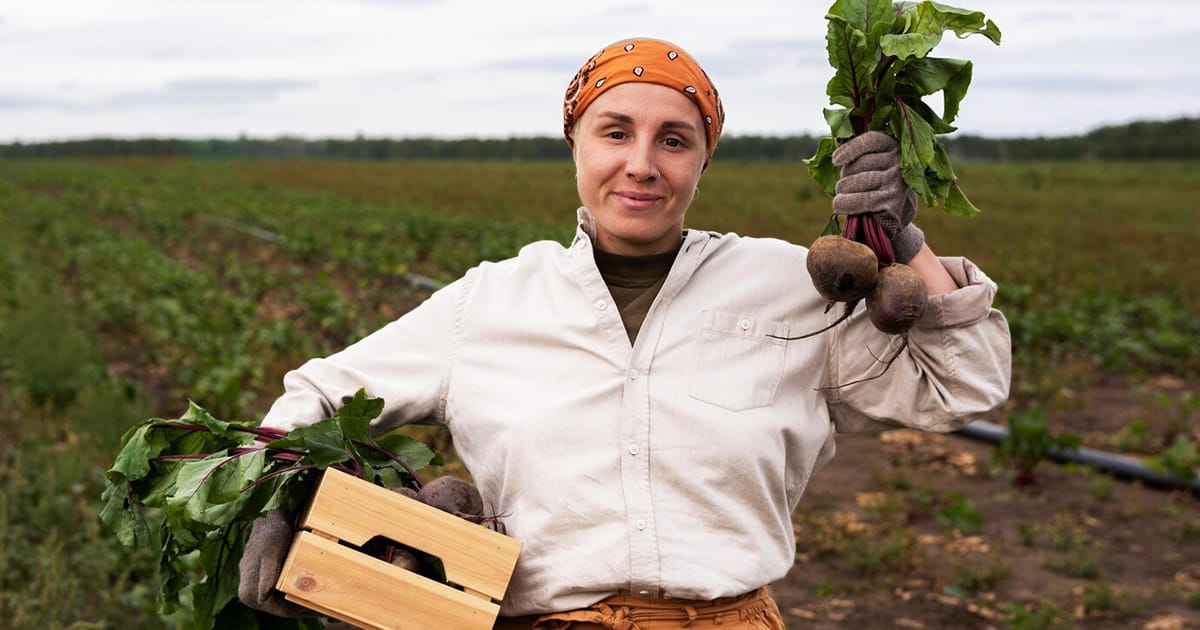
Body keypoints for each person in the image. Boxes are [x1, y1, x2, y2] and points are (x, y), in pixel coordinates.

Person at [238, 37, 1011, 629]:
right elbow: (318, 394)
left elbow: (961, 389)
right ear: (574, 143)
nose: (641, 165)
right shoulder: (491, 302)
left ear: (705, 158)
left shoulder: (787, 286)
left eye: (674, 140)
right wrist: (275, 492)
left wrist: (907, 244)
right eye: (615, 133)